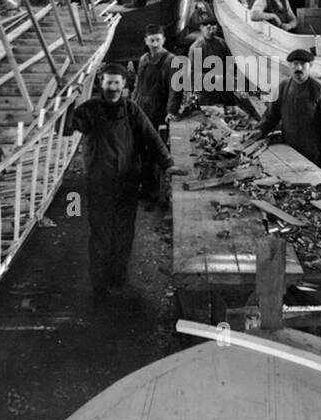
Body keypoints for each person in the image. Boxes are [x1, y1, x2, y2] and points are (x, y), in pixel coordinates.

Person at [66, 62, 176, 300]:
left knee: (124, 233)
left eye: (117, 82)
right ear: (101, 83)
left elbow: (151, 136)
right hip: (99, 182)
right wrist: (68, 103)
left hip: (127, 182)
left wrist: (168, 163)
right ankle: (99, 286)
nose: (112, 87)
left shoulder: (132, 110)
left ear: (124, 85)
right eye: (108, 82)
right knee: (101, 234)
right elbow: (67, 128)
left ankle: (119, 278)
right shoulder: (89, 110)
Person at [257, 49, 321, 172]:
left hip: (312, 151)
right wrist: (260, 130)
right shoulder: (283, 87)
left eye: (303, 64)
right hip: (288, 148)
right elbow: (272, 115)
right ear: (290, 66)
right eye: (295, 64)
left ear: (310, 66)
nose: (298, 68)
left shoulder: (318, 90)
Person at [133, 24, 182, 203]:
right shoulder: (144, 59)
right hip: (140, 110)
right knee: (139, 152)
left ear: (164, 40)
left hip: (157, 112)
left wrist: (171, 111)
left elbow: (175, 89)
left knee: (155, 152)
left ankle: (154, 192)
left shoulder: (171, 60)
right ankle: (144, 188)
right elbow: (137, 86)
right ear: (146, 41)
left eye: (157, 40)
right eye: (151, 40)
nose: (154, 43)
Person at [184, 17, 234, 107]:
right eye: (208, 28)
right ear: (201, 28)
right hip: (205, 91)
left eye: (214, 28)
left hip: (222, 88)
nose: (211, 31)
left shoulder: (222, 43)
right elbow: (192, 73)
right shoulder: (196, 47)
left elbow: (230, 63)